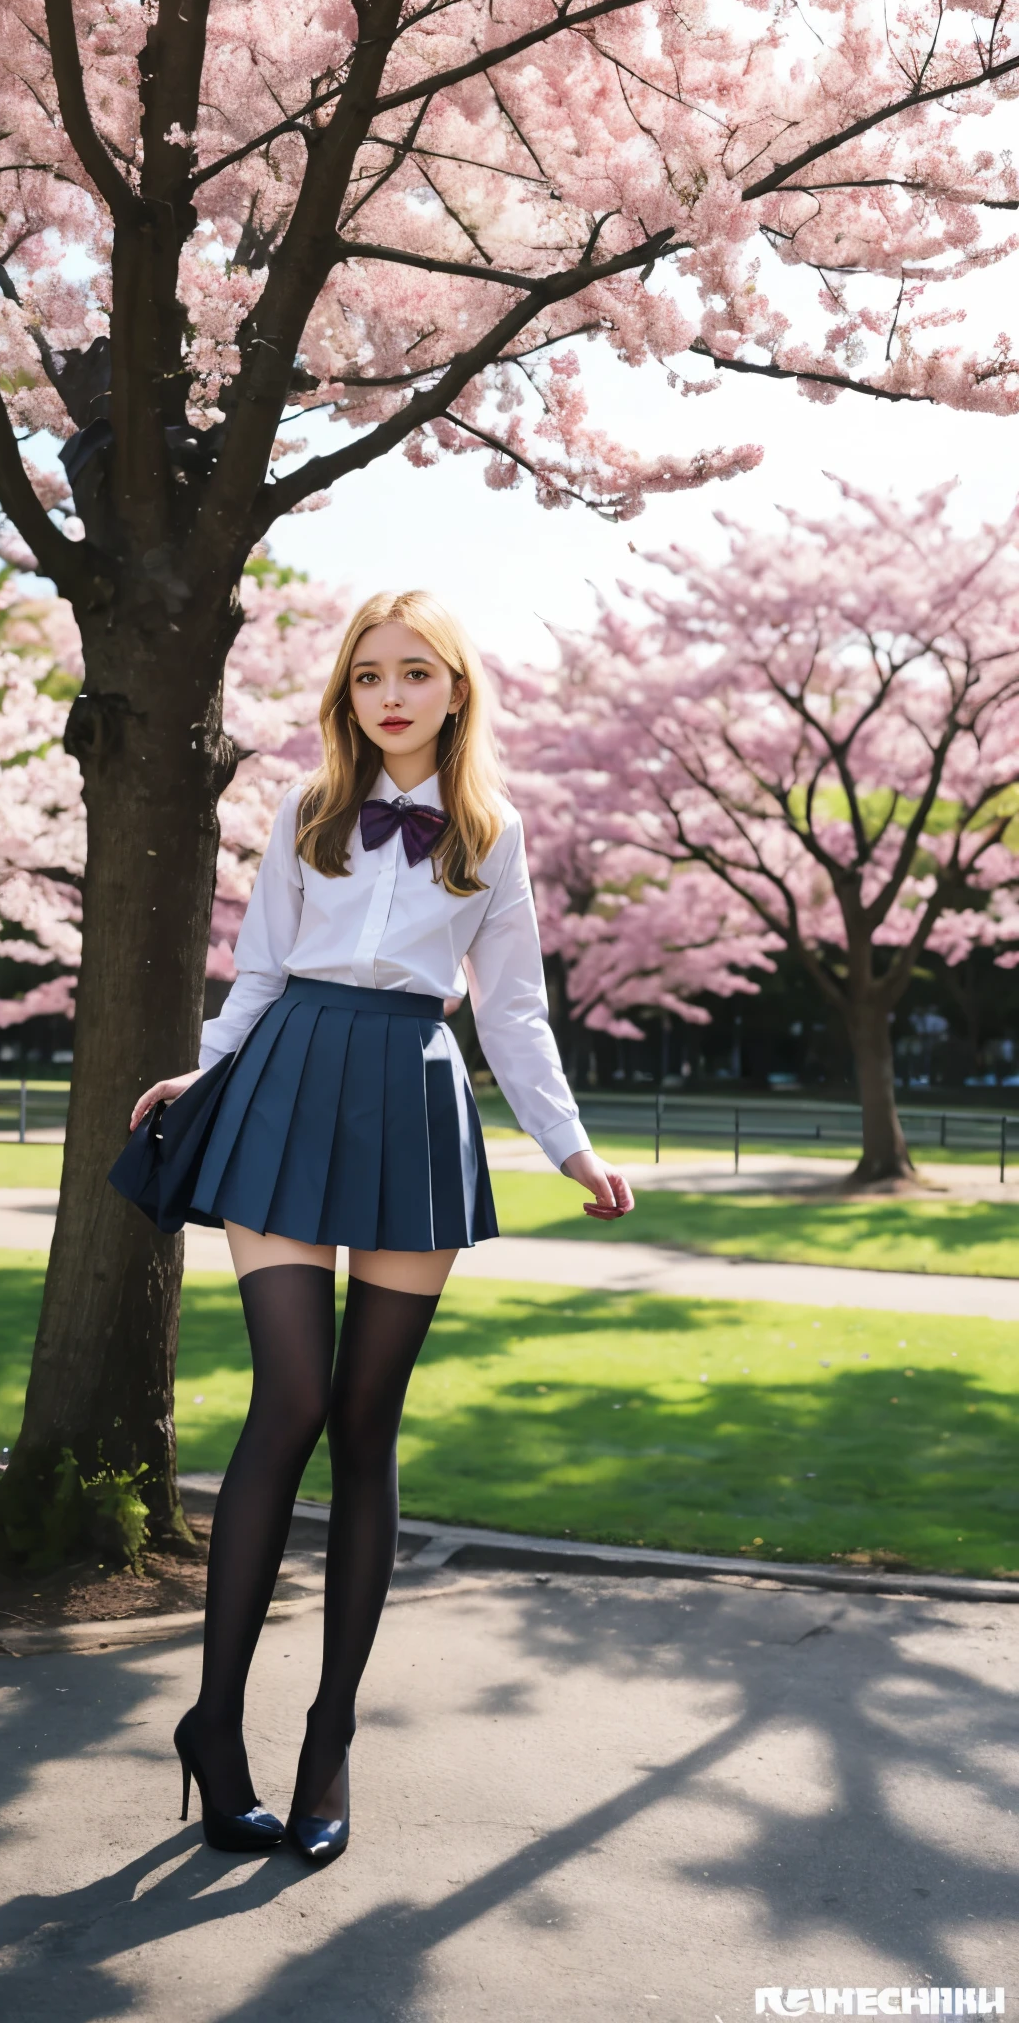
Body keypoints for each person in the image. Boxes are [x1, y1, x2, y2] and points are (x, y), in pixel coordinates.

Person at [109, 590, 634, 1867]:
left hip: (411, 1090)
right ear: (346, 695)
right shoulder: (304, 810)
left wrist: (568, 1142)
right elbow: (264, 967)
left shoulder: (493, 833)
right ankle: (215, 1725)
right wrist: (201, 1070)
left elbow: (512, 1010)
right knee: (288, 1397)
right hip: (287, 1078)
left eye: (414, 673)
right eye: (366, 677)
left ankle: (329, 1732)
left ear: (457, 689)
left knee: (366, 1423)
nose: (389, 694)